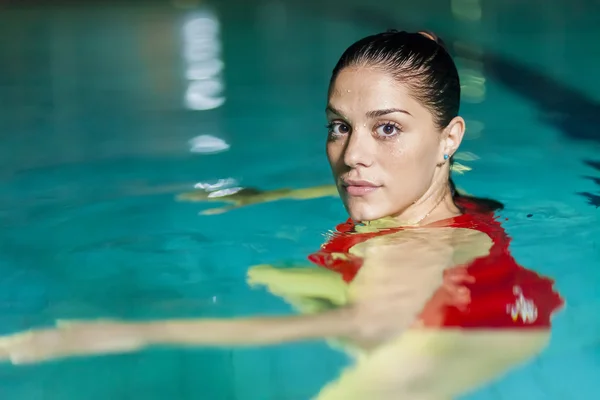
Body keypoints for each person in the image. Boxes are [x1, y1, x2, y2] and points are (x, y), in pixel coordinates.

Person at [0, 30, 564, 399]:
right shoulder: (449, 203)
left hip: (455, 338)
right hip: (474, 302)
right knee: (263, 274)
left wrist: (132, 333)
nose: (353, 156)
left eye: (387, 127)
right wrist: (268, 197)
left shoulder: (412, 246)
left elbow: (362, 324)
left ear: (449, 138)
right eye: (339, 126)